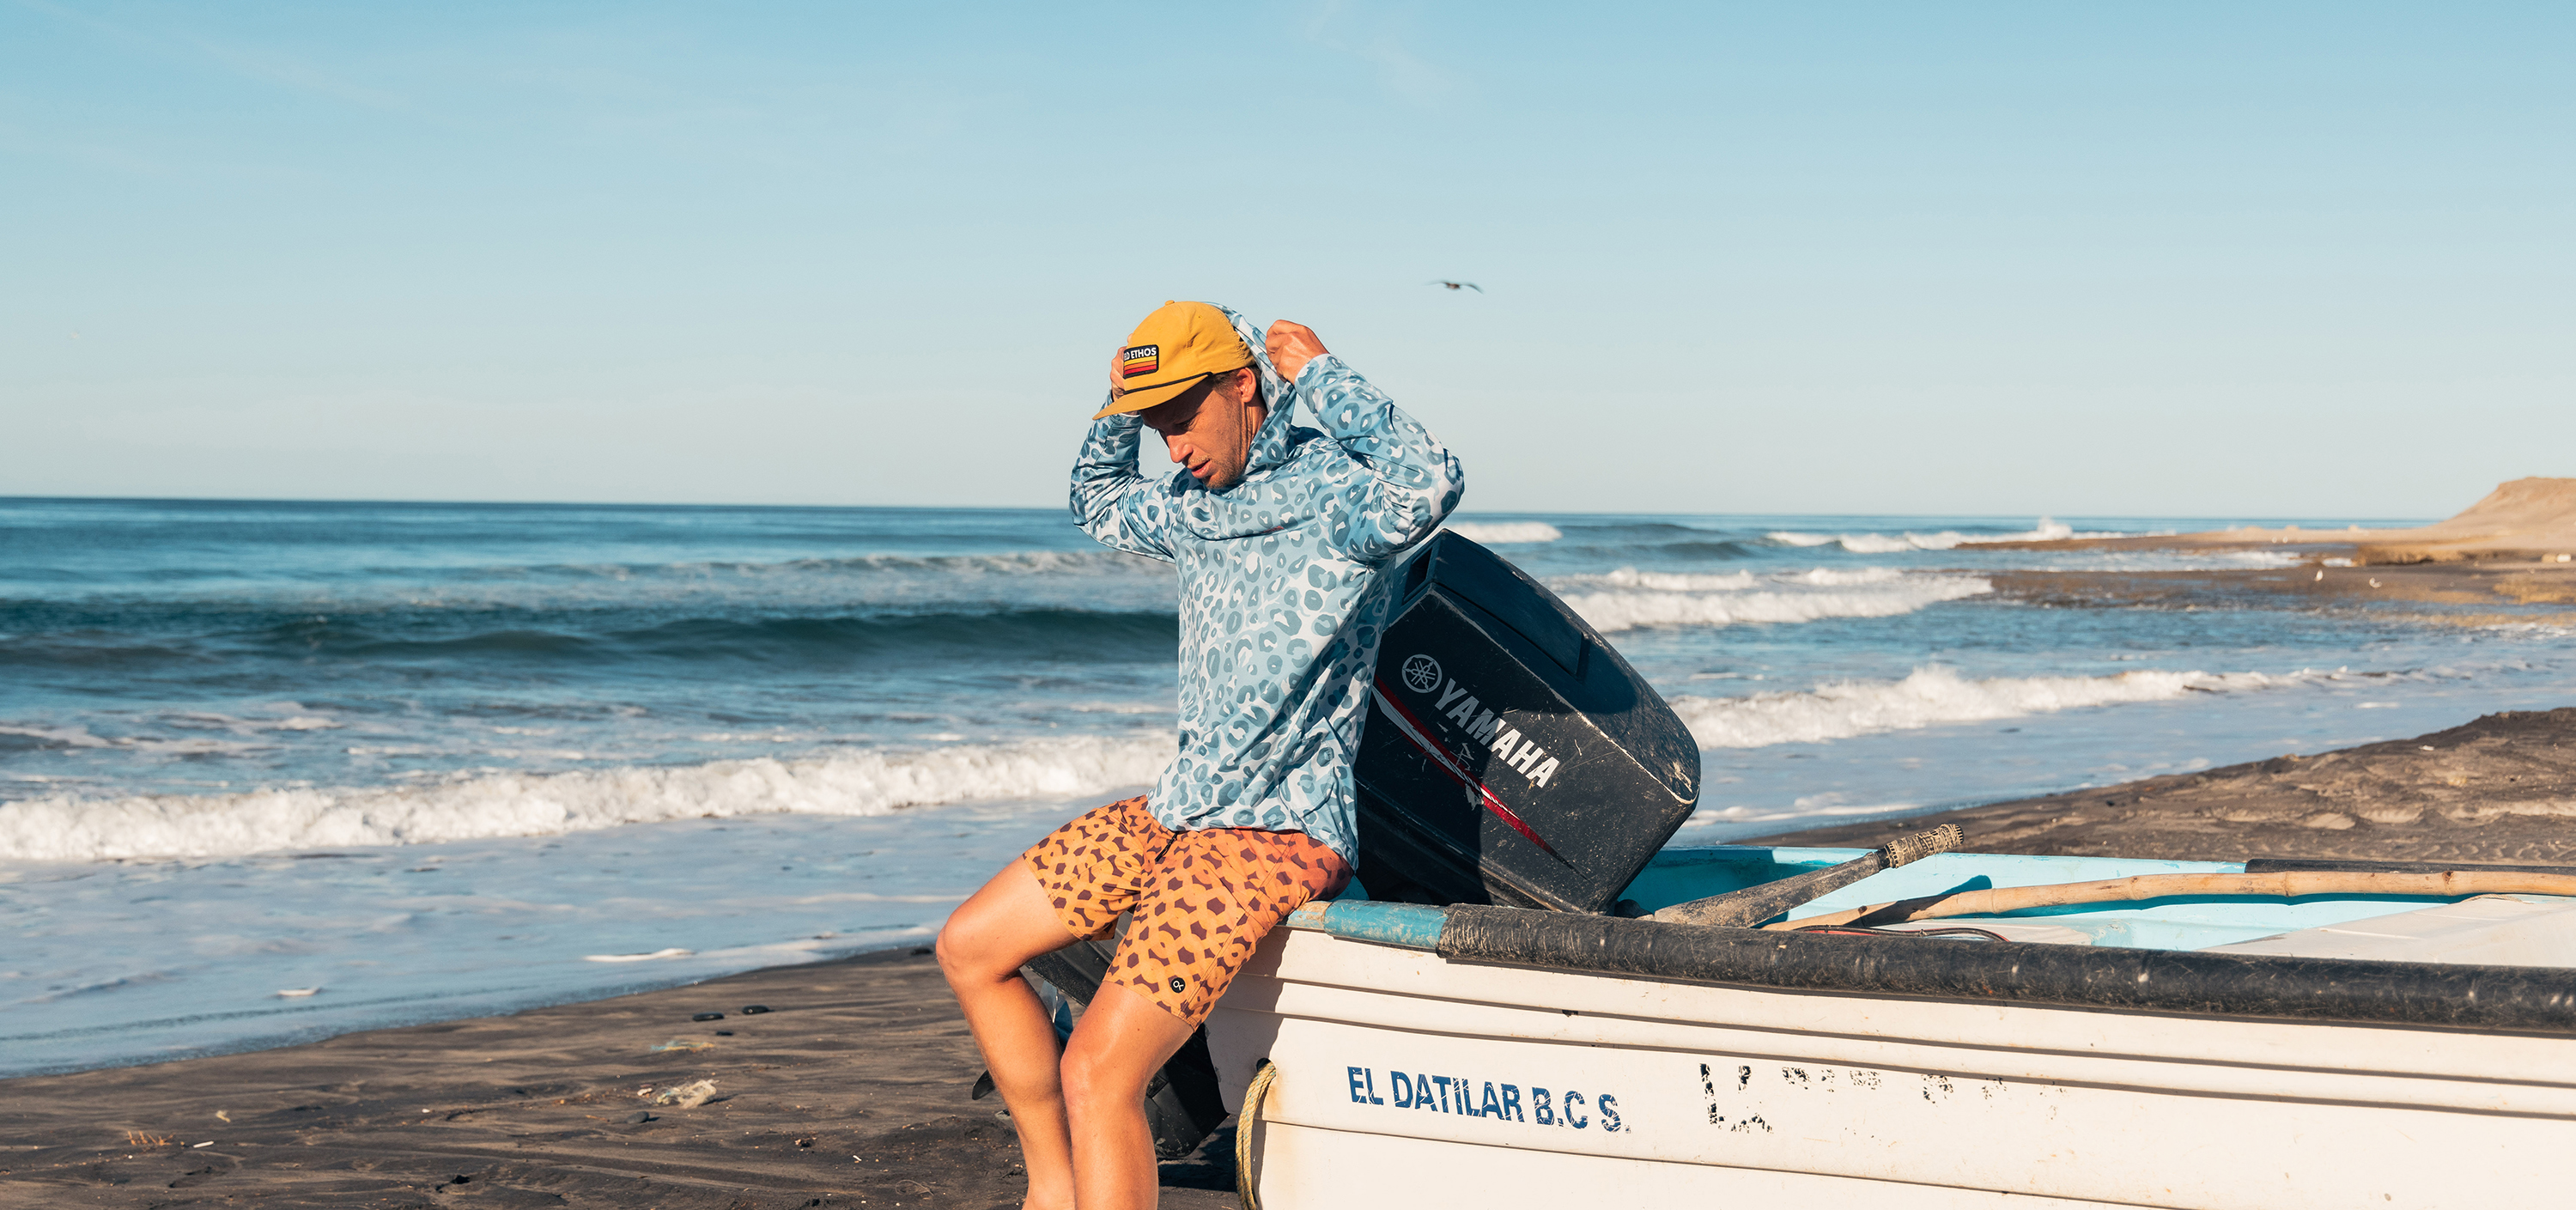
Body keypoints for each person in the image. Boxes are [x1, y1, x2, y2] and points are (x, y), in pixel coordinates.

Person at [935, 300, 1463, 1208]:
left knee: (1099, 1068)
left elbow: (1429, 481)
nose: (1172, 447)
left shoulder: (1337, 500)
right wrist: (1115, 403)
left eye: (1181, 419)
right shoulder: (1192, 506)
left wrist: (1326, 373)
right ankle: (1053, 1191)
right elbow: (1094, 502)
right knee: (971, 945)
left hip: (1273, 833)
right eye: (1154, 426)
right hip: (1178, 813)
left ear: (1243, 385)